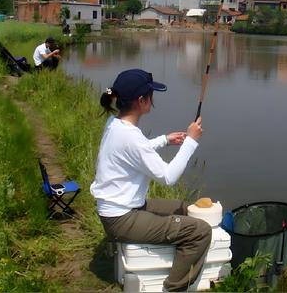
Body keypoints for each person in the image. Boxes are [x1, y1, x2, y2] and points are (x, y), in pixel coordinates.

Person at [90, 69, 212, 292]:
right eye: (151, 95)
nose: (153, 99)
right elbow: (168, 177)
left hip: (121, 209)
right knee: (200, 231)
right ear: (141, 100)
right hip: (122, 218)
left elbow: (134, 151)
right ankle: (174, 288)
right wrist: (191, 142)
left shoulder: (115, 123)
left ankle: (172, 264)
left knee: (184, 208)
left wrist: (164, 140)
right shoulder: (131, 137)